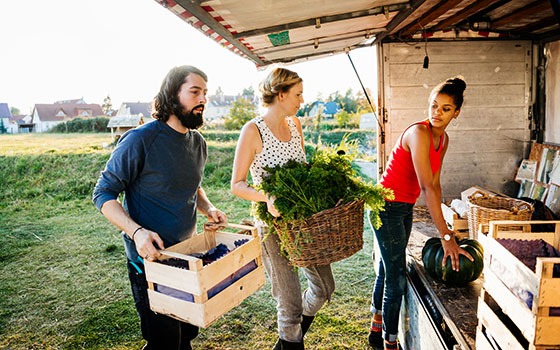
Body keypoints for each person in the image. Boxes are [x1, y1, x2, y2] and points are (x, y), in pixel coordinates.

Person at [92, 65, 227, 350]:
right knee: (164, 340)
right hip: (150, 262)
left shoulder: (198, 143)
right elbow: (103, 194)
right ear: (172, 94)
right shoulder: (140, 140)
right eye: (194, 92)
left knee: (187, 334)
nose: (203, 99)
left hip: (188, 257)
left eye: (205, 93)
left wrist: (209, 208)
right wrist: (137, 232)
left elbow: (193, 186)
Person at [231, 67, 335, 350]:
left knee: (325, 288)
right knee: (288, 304)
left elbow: (301, 169)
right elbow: (237, 185)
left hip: (303, 223)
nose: (302, 100)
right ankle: (290, 340)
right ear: (280, 94)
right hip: (273, 225)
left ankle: (287, 341)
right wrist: (267, 197)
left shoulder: (295, 124)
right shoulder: (252, 131)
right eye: (298, 94)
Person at [367, 76, 472, 350]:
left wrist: (445, 227)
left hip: (404, 207)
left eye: (446, 108)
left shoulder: (443, 140)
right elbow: (426, 186)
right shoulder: (419, 133)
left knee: (387, 268)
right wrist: (446, 236)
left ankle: (376, 328)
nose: (437, 113)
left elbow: (435, 184)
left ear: (456, 113)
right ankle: (390, 342)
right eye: (434, 106)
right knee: (397, 277)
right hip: (386, 206)